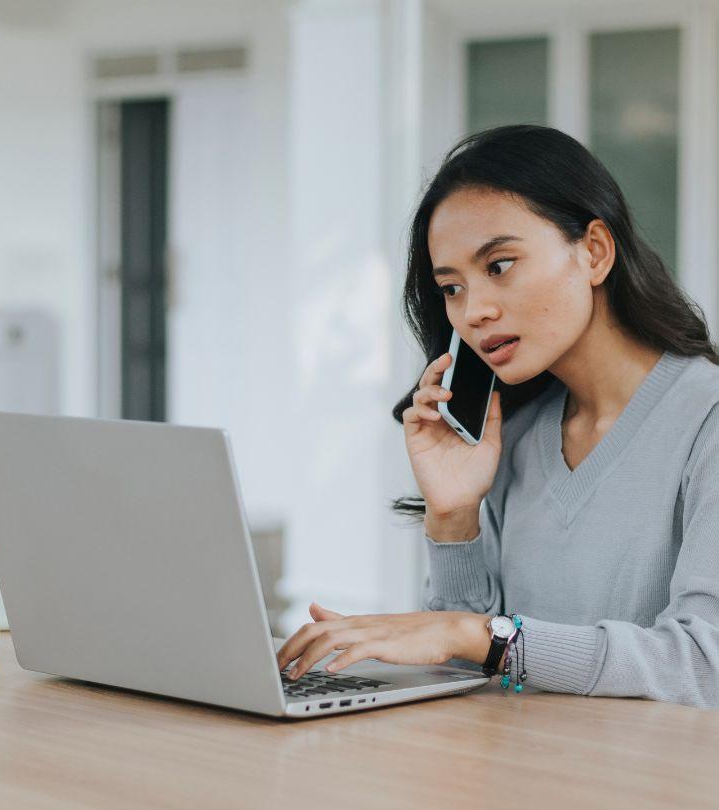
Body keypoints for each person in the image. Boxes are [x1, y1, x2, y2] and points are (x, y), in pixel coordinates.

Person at [276, 124, 719, 709]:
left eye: (500, 266)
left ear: (594, 251)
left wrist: (472, 634)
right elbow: (480, 671)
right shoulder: (517, 432)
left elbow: (702, 666)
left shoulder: (704, 419)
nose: (475, 311)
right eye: (451, 288)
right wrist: (454, 515)